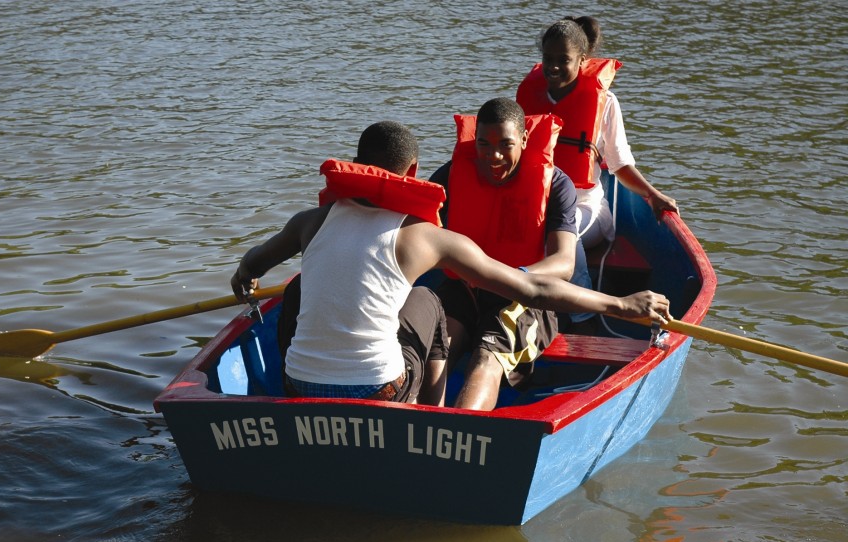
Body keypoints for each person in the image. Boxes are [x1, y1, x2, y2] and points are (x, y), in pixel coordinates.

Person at [230, 120, 670, 409]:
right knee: (428, 299)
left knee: (298, 288)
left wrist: (244, 278)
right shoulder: (427, 237)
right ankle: (434, 416)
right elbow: (534, 291)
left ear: (358, 166)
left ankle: (288, 404)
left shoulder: (310, 222)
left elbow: (252, 264)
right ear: (415, 171)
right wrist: (622, 305)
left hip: (297, 387)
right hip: (380, 391)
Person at [428, 97, 591, 410]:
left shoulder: (557, 185)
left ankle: (459, 436)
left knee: (485, 357)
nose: (494, 156)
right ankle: (407, 423)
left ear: (525, 139)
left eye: (505, 144)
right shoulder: (452, 175)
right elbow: (416, 233)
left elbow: (564, 264)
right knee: (437, 350)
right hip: (466, 288)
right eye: (484, 145)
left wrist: (513, 277)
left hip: (525, 296)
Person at [516, 15, 679, 248]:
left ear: (582, 60)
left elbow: (620, 165)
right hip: (535, 202)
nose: (553, 67)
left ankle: (578, 282)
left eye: (563, 60)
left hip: (584, 207)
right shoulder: (529, 96)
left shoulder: (607, 102)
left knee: (556, 234)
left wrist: (653, 195)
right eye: (548, 58)